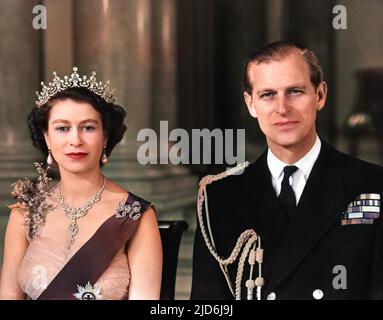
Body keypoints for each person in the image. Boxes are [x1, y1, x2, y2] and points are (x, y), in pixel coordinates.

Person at [191, 41, 383, 300]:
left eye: (294, 91)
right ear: (250, 104)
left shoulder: (372, 186)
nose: (282, 108)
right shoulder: (218, 197)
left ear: (320, 95)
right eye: (268, 94)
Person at [0, 67, 162, 300]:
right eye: (62, 128)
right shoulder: (25, 213)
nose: (75, 140)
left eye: (88, 127)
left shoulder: (136, 216)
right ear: (47, 136)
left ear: (105, 136)